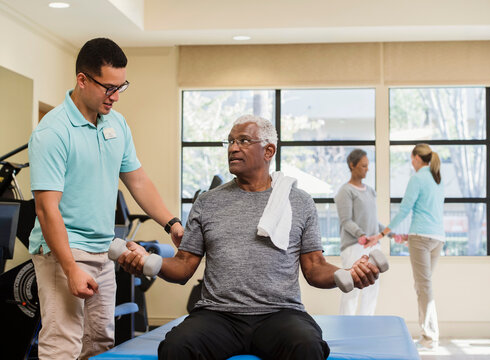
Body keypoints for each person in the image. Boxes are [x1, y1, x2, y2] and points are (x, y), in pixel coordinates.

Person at [119, 115, 380, 360]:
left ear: (269, 151)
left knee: (308, 346)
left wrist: (347, 274)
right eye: (230, 141)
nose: (233, 148)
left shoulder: (299, 202)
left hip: (280, 313)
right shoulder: (207, 202)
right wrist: (148, 263)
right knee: (176, 347)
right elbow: (184, 265)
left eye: (243, 141)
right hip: (218, 315)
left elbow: (315, 268)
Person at [28, 37, 184, 360]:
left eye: (120, 87)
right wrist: (70, 268)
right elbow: (46, 209)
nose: (115, 96)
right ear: (82, 80)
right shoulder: (53, 132)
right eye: (108, 87)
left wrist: (171, 222)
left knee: (99, 345)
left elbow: (137, 180)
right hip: (63, 251)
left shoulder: (116, 123)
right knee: (62, 345)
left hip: (103, 250)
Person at [370, 143, 444, 350]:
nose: (411, 162)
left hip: (421, 237)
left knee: (423, 286)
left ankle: (430, 338)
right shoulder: (437, 178)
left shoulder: (418, 177)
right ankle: (429, 335)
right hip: (437, 237)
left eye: (411, 159)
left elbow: (405, 210)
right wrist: (408, 236)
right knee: (424, 286)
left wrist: (382, 234)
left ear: (416, 158)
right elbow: (430, 212)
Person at [334, 149, 384, 316]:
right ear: (352, 165)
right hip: (354, 246)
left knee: (372, 290)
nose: (367, 169)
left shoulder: (370, 191)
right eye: (363, 166)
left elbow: (372, 221)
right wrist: (362, 235)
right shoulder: (345, 191)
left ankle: (366, 327)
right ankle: (346, 328)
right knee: (351, 290)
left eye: (368, 166)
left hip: (372, 246)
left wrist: (388, 232)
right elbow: (346, 220)